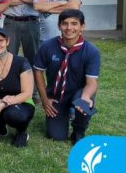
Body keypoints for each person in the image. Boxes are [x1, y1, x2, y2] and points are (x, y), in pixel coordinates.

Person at [33, 9, 100, 144]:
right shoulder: (47, 46)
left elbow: (92, 82)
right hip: (56, 96)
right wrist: (45, 98)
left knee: (84, 104)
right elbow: (37, 71)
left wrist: (85, 97)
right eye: (65, 23)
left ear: (82, 26)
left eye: (74, 24)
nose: (69, 28)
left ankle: (78, 131)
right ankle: (64, 114)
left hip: (78, 93)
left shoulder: (91, 51)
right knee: (56, 135)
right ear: (59, 26)